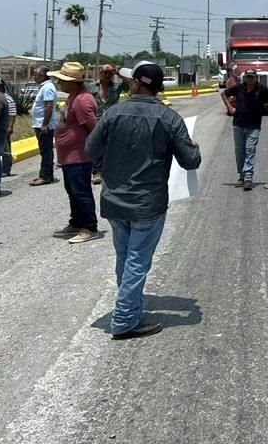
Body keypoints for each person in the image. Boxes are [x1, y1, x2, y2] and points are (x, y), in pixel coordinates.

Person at [86, 61, 201, 340]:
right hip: (148, 203)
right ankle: (125, 319)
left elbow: (91, 150)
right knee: (137, 260)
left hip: (115, 200)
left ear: (137, 83)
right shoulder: (169, 118)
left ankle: (131, 309)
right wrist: (193, 149)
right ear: (158, 87)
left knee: (125, 257)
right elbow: (190, 161)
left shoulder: (113, 113)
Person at [50, 62, 100, 244]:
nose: (59, 82)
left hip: (79, 155)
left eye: (62, 79)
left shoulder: (82, 100)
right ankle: (76, 221)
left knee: (81, 191)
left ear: (72, 82)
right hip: (69, 155)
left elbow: (93, 129)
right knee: (72, 190)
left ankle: (89, 226)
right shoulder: (73, 97)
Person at [222, 68, 268, 191]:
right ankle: (242, 176)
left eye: (251, 77)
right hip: (238, 124)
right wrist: (230, 107)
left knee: (250, 150)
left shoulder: (262, 89)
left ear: (256, 77)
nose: (249, 79)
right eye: (247, 77)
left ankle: (248, 177)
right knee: (239, 152)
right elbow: (224, 94)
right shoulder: (238, 88)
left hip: (254, 126)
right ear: (245, 78)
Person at [90, 64, 129, 184]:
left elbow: (129, 84)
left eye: (110, 73)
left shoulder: (117, 86)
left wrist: (117, 72)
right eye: (105, 72)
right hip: (95, 119)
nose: (107, 75)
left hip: (112, 120)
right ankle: (96, 171)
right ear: (100, 73)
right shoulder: (91, 86)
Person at [29, 66, 57, 186]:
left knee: (45, 151)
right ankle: (47, 175)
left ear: (44, 75)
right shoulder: (44, 87)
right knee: (45, 150)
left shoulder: (48, 88)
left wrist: (44, 125)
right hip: (40, 123)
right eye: (34, 74)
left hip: (43, 125)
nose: (34, 77)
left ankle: (45, 176)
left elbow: (49, 106)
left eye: (37, 74)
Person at [1, 82, 17, 177]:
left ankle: (6, 169)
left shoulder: (7, 98)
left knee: (5, 148)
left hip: (5, 127)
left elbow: (12, 113)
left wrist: (10, 126)